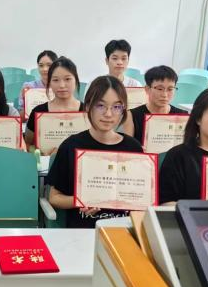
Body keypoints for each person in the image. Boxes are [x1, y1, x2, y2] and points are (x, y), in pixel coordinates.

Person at [46, 76, 143, 228]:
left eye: (116, 107)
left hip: (123, 230)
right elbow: (54, 198)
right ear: (88, 106)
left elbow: (141, 198)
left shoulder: (133, 148)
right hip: (84, 230)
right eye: (100, 105)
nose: (108, 114)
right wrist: (80, 200)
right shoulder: (71, 146)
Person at [24, 57, 84, 155]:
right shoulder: (38, 112)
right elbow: (27, 144)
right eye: (56, 80)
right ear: (50, 83)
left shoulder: (87, 111)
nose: (62, 85)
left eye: (67, 79)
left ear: (76, 80)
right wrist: (39, 153)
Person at [122, 65, 188, 145]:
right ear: (147, 89)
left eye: (170, 89)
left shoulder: (183, 115)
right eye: (160, 89)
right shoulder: (132, 116)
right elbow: (128, 147)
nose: (164, 95)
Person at [18, 50, 58, 116]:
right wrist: (25, 100)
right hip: (32, 122)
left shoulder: (60, 88)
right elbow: (21, 117)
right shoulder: (28, 87)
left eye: (49, 65)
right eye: (41, 65)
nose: (45, 69)